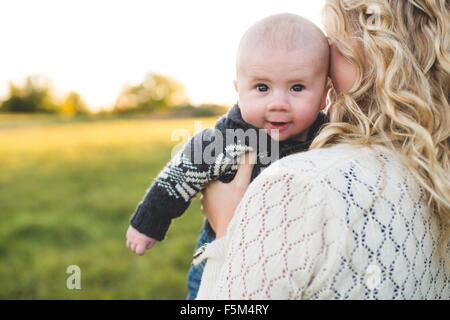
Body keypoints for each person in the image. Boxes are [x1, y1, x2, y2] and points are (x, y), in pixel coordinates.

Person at [195, 0, 450, 299]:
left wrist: (226, 232)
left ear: (375, 52)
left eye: (335, 44)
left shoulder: (300, 185)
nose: (325, 63)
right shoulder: (437, 168)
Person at [125, 13, 331, 299]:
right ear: (239, 91)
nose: (279, 103)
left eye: (297, 87)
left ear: (324, 96)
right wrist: (148, 222)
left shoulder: (328, 140)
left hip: (290, 265)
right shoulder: (228, 140)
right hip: (224, 258)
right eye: (262, 88)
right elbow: (179, 175)